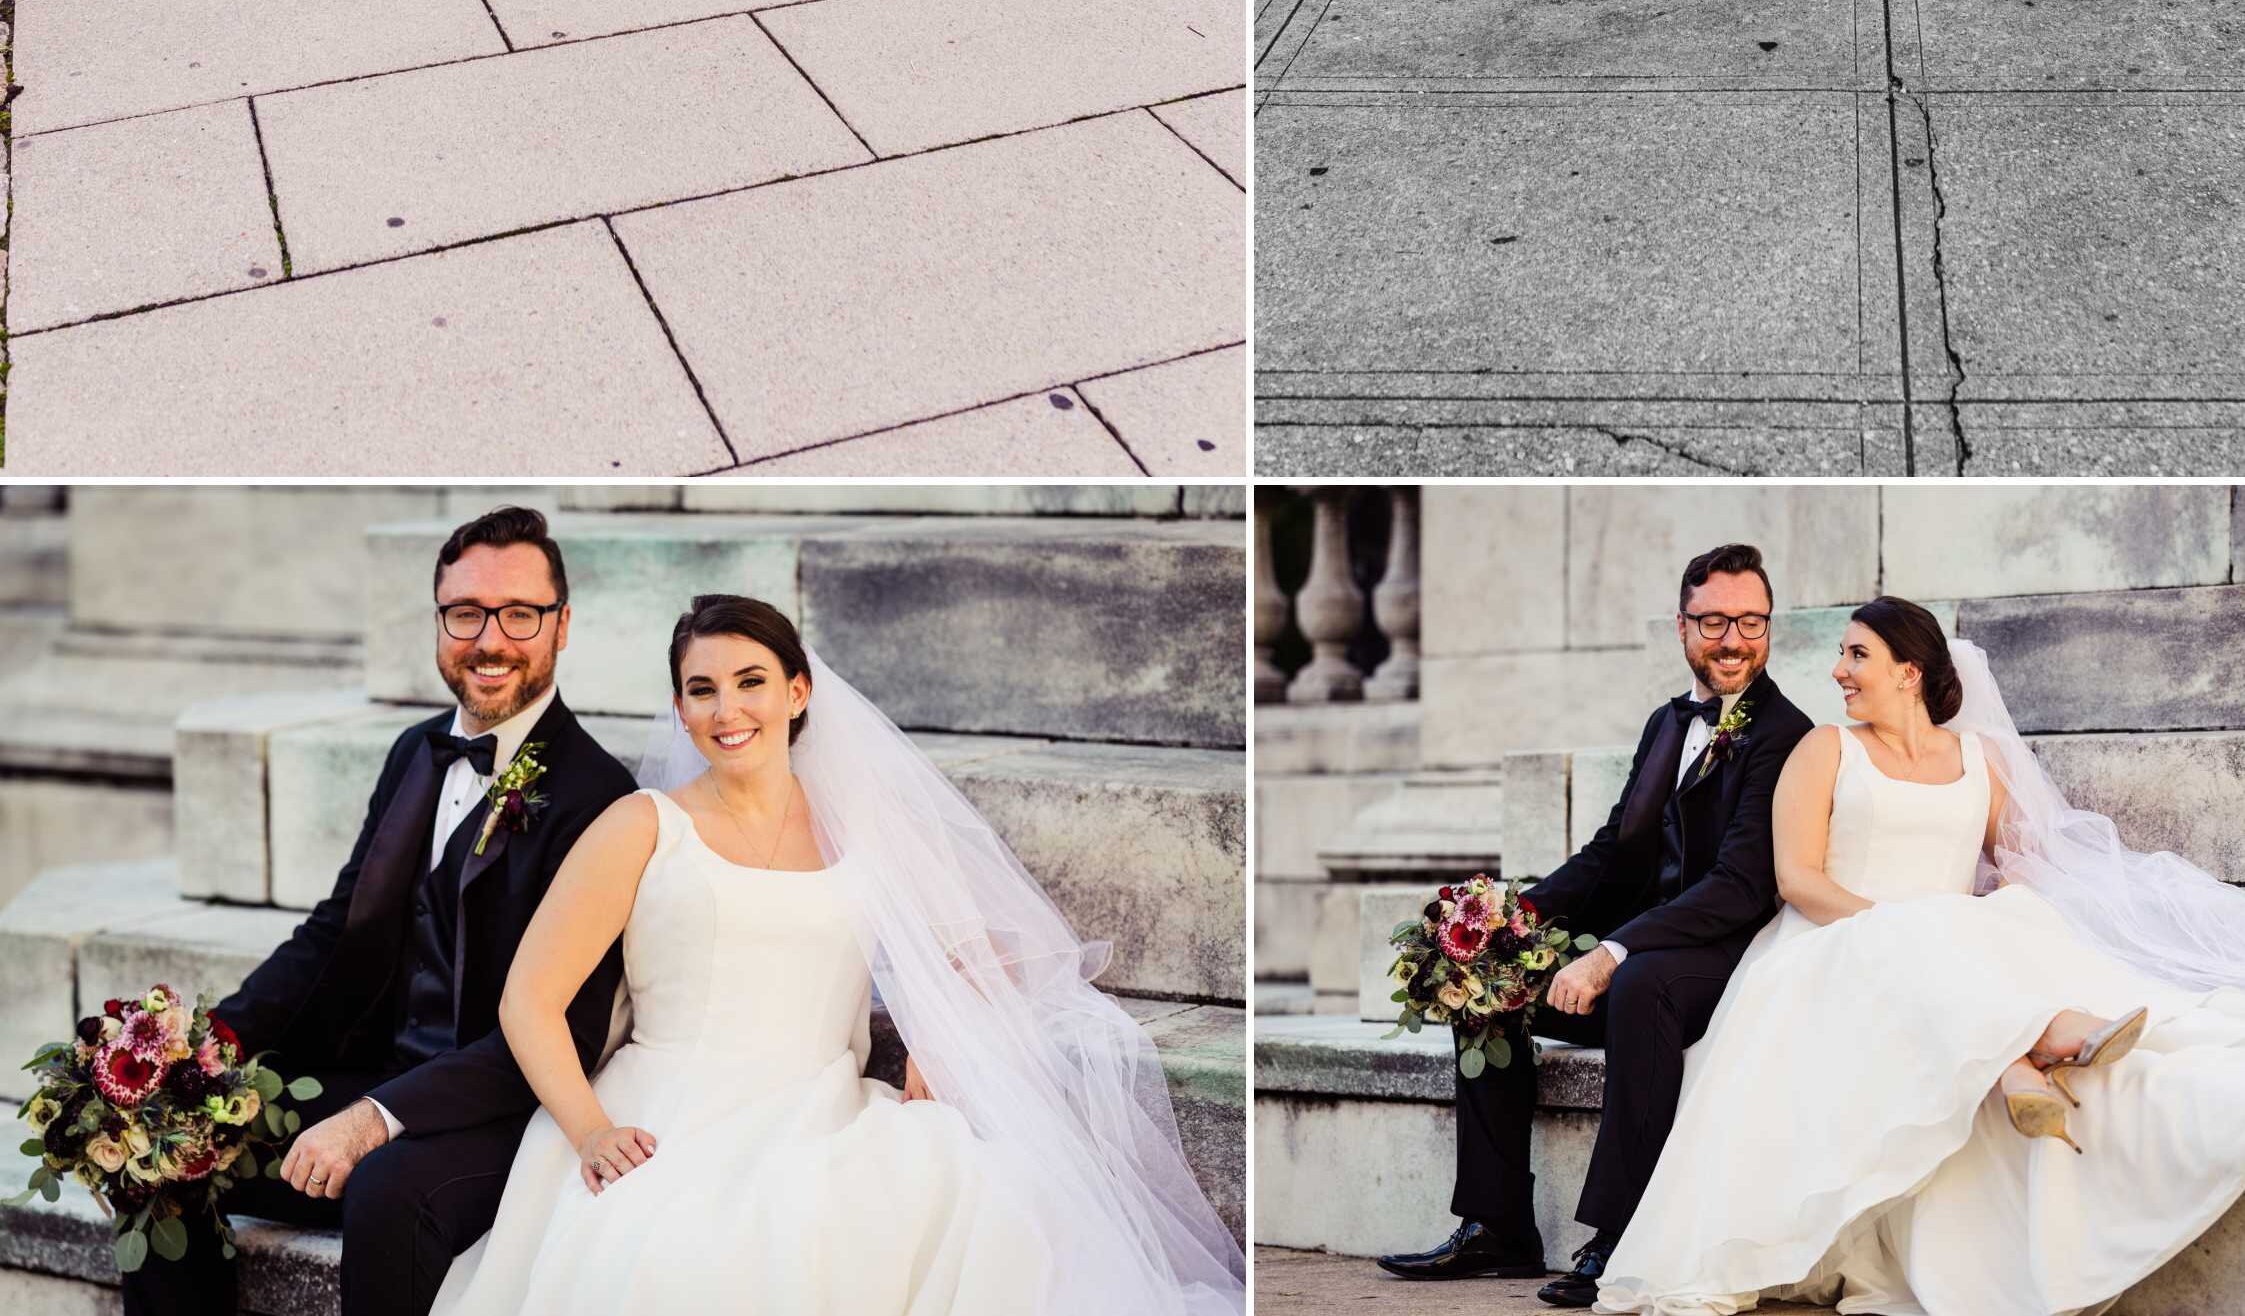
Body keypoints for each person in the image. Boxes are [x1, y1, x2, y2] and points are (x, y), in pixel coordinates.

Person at [1597, 597, 2245, 1315]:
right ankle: (2039, 1045)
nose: (1838, 670)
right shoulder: (1825, 749)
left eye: (1856, 655)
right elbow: (1797, 878)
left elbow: (2020, 858)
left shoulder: (1978, 759)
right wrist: (1901, 928)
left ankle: (2021, 1058)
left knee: (2011, 913)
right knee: (1934, 933)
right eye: (1840, 654)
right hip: (1833, 942)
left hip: (1942, 951)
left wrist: (2025, 904)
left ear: (1910, 672)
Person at [433, 594, 1244, 1316]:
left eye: (751, 680)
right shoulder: (641, 825)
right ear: (680, 709)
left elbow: (984, 936)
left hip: (824, 1106)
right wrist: (590, 1132)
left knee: (996, 1205)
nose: (727, 708)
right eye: (702, 688)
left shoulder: (856, 822)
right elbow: (528, 999)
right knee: (686, 1256)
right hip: (667, 1114)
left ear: (797, 690)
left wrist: (936, 1032)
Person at [117, 508, 634, 1316]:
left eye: (519, 613)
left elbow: (565, 1028)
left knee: (387, 1193)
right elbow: (333, 929)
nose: (490, 638)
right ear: (438, 621)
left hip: (497, 1107)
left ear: (562, 625)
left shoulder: (600, 797)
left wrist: (377, 1118)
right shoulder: (415, 750)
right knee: (163, 1138)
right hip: (380, 1064)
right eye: (466, 612)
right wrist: (205, 1048)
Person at [1375, 546, 1813, 1308]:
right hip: (1646, 944)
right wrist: (1512, 920)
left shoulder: (1786, 732)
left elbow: (1743, 884)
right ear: (1683, 626)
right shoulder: (1664, 724)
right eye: (1715, 620)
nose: (1734, 639)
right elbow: (1613, 850)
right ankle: (1498, 1224)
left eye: (1751, 621)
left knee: (1641, 981)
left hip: (1727, 958)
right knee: (1485, 979)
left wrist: (1613, 949)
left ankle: (1623, 1236)